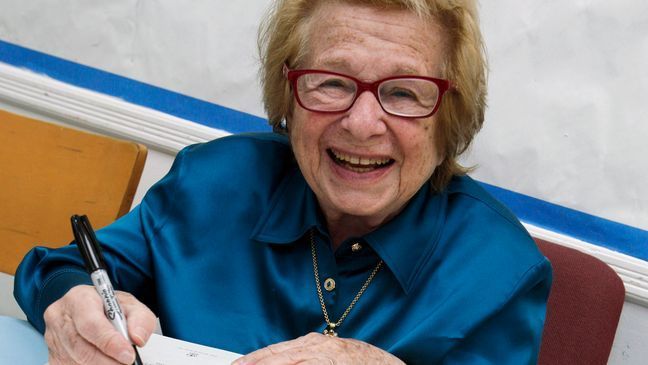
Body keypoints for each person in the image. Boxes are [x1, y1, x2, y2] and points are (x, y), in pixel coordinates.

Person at [14, 0, 552, 364]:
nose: (362, 123)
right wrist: (71, 304)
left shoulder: (500, 272)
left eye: (405, 93)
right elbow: (62, 268)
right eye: (331, 82)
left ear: (450, 116)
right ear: (289, 94)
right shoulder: (215, 182)